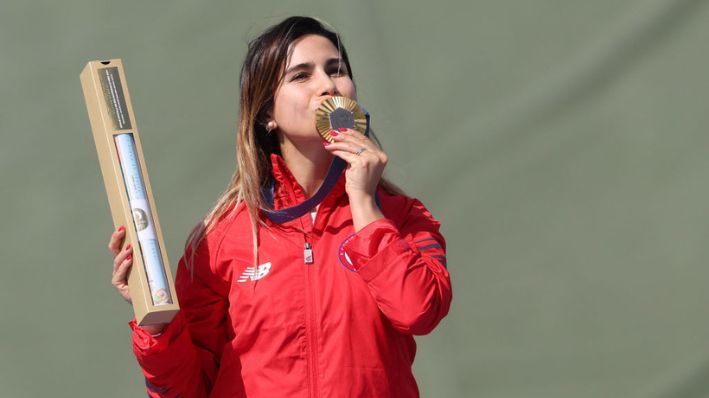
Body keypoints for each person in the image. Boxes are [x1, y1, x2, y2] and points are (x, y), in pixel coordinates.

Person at [108, 16, 451, 397]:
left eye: (336, 70)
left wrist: (365, 206)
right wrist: (154, 321)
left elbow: (418, 311)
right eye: (301, 76)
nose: (327, 85)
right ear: (267, 113)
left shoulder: (402, 216)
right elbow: (185, 390)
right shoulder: (221, 238)